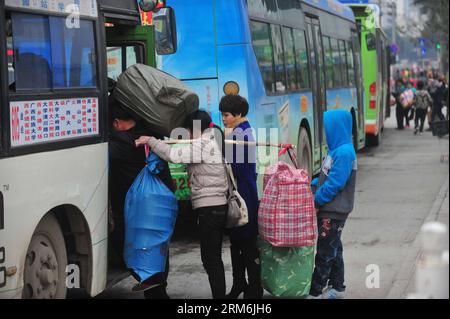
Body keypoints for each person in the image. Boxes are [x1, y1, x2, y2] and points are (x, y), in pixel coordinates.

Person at [135, 110, 229, 299]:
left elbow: (173, 155)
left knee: (211, 260)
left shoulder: (203, 144)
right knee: (213, 259)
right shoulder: (212, 139)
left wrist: (151, 141)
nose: (186, 132)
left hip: (210, 208)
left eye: (188, 128)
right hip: (216, 206)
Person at [108, 96, 174, 299]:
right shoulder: (153, 134)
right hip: (160, 203)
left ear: (117, 123)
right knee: (158, 245)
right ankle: (158, 287)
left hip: (136, 207)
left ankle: (154, 287)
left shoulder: (119, 142)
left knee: (137, 246)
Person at [308, 109, 357, 299]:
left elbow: (336, 183)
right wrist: (312, 183)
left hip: (333, 210)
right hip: (331, 209)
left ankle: (315, 291)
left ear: (337, 127)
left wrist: (317, 200)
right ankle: (337, 287)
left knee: (325, 252)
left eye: (328, 127)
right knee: (334, 249)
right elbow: (326, 176)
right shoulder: (336, 150)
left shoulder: (344, 152)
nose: (326, 131)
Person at [219, 95, 263, 299]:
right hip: (244, 192)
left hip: (243, 195)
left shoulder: (239, 134)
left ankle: (253, 288)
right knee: (237, 244)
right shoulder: (241, 131)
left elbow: (235, 168)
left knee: (246, 244)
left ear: (238, 114)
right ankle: (240, 285)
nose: (223, 118)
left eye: (226, 115)